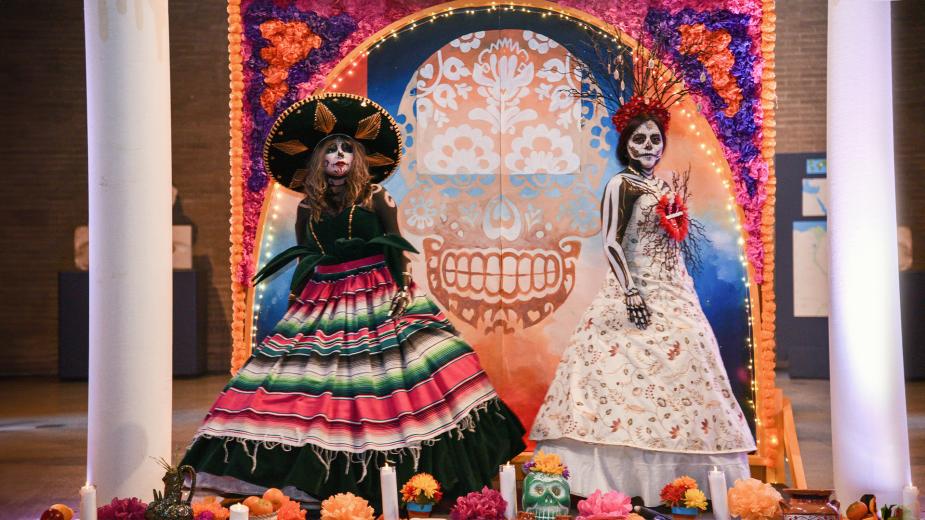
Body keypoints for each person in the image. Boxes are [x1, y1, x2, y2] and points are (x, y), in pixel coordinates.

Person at [182, 93, 525, 507]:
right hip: (324, 298)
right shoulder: (308, 206)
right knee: (311, 384)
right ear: (319, 161)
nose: (339, 155)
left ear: (358, 157)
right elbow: (306, 256)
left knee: (402, 380)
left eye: (347, 148)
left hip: (378, 293)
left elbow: (397, 248)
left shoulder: (378, 196)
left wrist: (402, 289)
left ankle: (413, 477)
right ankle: (307, 478)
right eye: (331, 149)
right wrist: (297, 300)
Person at [529, 96, 756, 503]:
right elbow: (611, 241)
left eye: (654, 139)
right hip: (634, 292)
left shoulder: (661, 186)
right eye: (639, 139)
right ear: (626, 144)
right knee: (616, 379)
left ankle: (684, 485)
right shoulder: (622, 184)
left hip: (675, 290)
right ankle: (617, 484)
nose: (648, 146)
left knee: (690, 355)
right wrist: (630, 291)